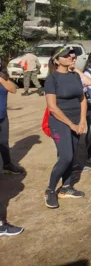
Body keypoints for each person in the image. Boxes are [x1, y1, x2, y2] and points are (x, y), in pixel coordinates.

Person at [44, 47, 87, 209]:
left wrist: (82, 121)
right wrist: (72, 124)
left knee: (73, 154)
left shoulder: (75, 75)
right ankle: (50, 189)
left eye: (71, 54)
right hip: (59, 122)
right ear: (56, 60)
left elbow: (83, 99)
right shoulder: (52, 79)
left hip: (77, 121)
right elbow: (52, 107)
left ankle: (66, 187)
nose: (71, 57)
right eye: (66, 55)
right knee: (66, 157)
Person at [0, 58, 25, 236]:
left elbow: (13, 89)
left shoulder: (3, 77)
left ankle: (7, 165)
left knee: (4, 143)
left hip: (2, 117)